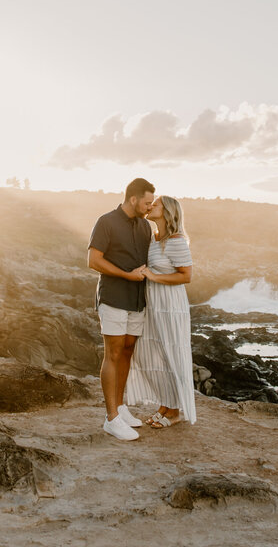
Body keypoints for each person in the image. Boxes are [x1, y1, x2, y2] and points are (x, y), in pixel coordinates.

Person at [87, 177, 154, 441]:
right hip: (114, 297)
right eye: (147, 202)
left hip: (137, 300)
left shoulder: (145, 226)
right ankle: (111, 418)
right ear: (134, 198)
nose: (149, 207)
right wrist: (127, 276)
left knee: (127, 351)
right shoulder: (106, 221)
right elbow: (93, 260)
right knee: (113, 354)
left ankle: (121, 407)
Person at [125, 195, 196, 427]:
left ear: (167, 212)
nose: (150, 206)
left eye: (155, 205)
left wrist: (154, 276)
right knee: (151, 353)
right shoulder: (153, 238)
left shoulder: (176, 241)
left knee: (170, 354)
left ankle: (174, 412)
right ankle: (165, 405)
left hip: (171, 305)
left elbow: (186, 275)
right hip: (153, 303)